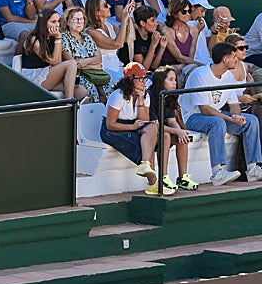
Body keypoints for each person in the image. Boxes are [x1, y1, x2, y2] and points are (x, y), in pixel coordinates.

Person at [183, 42, 262, 186]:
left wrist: (236, 115)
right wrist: (229, 118)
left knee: (251, 121)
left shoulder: (228, 76)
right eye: (233, 57)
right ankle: (217, 172)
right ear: (225, 60)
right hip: (192, 117)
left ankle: (253, 169)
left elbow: (233, 104)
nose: (236, 59)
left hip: (215, 115)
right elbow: (204, 110)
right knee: (217, 122)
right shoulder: (200, 75)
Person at [100, 61, 166, 192]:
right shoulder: (118, 96)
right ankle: (153, 184)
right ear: (130, 79)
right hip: (113, 128)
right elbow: (110, 124)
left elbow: (145, 120)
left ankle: (145, 165)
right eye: (140, 78)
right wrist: (133, 127)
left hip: (133, 123)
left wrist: (141, 100)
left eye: (145, 78)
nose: (144, 81)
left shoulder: (144, 95)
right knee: (146, 145)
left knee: (152, 128)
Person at [148, 65, 198, 192]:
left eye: (175, 79)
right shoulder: (149, 96)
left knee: (182, 138)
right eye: (170, 79)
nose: (174, 83)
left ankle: (183, 178)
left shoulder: (169, 95)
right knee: (166, 136)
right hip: (150, 131)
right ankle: (163, 177)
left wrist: (180, 131)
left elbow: (171, 120)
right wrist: (177, 131)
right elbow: (154, 125)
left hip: (165, 128)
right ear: (161, 81)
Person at [18, 11, 85, 100]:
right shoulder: (34, 39)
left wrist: (70, 79)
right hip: (33, 77)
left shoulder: (54, 37)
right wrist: (58, 38)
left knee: (82, 92)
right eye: (53, 22)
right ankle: (69, 102)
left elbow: (58, 63)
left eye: (58, 21)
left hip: (47, 74)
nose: (57, 25)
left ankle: (76, 109)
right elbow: (53, 61)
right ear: (44, 23)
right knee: (71, 63)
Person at [85, 0, 132, 81]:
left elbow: (124, 39)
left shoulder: (109, 24)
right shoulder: (91, 31)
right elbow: (118, 44)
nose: (109, 6)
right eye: (105, 5)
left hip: (116, 65)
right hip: (104, 69)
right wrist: (124, 19)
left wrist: (128, 16)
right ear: (97, 12)